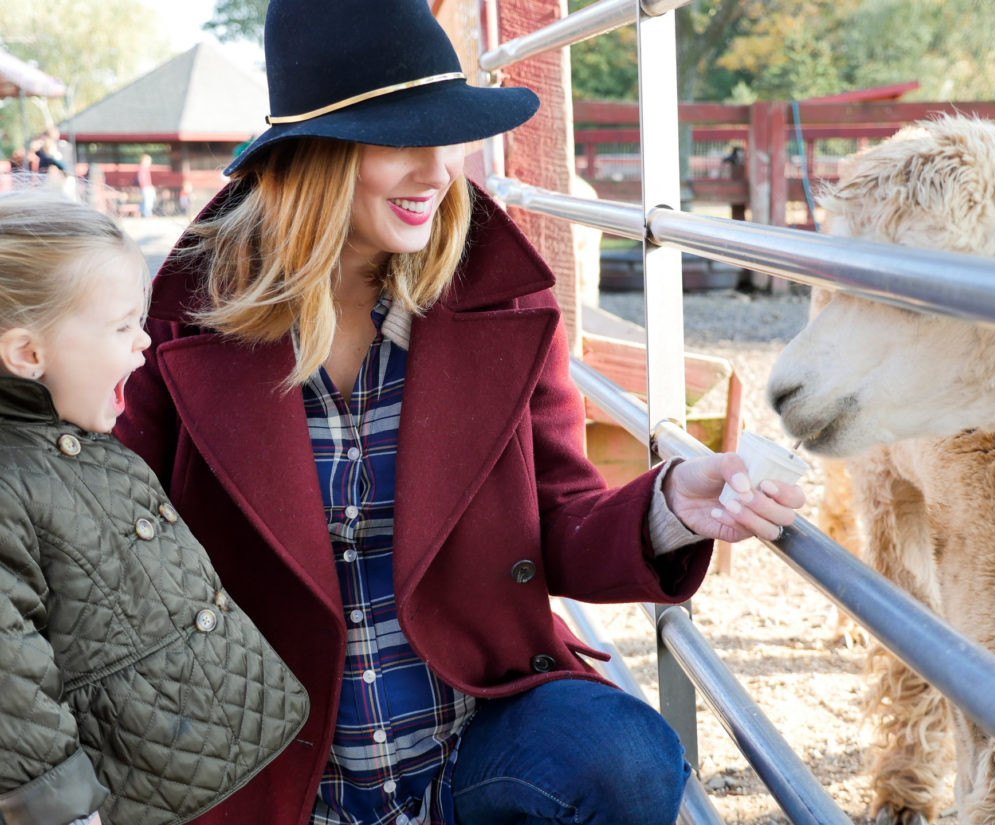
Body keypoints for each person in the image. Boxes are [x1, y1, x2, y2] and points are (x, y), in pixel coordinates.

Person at [114, 1, 806, 824]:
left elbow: (559, 514)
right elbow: (110, 538)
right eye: (402, 141)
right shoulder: (184, 317)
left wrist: (670, 505)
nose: (438, 172)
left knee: (621, 754)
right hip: (281, 775)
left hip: (470, 749)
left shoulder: (494, 295)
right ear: (313, 155)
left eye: (447, 137)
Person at [0, 189, 309, 825]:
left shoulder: (80, 443)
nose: (144, 343)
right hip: (116, 800)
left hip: (188, 774)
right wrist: (64, 812)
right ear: (28, 354)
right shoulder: (14, 481)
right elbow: (10, 681)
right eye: (121, 327)